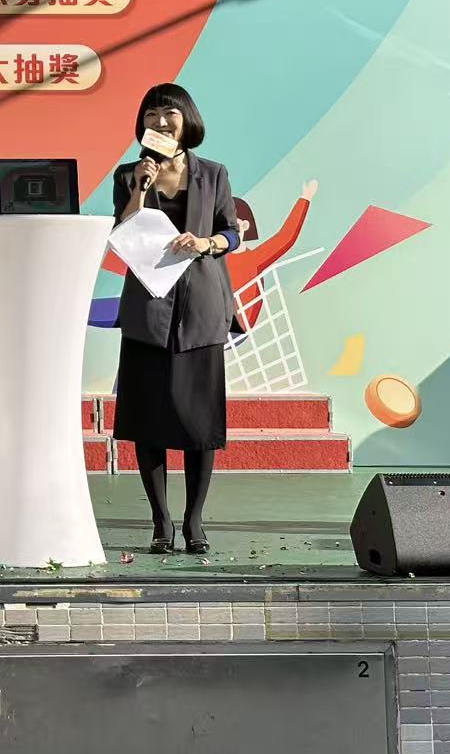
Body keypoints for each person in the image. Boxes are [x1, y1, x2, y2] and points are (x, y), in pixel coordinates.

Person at [113, 85, 239, 556]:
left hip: (201, 304)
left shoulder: (213, 173)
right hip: (148, 308)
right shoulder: (129, 174)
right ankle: (160, 521)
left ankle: (194, 520)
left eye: (169, 113)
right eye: (152, 114)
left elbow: (231, 232)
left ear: (187, 120)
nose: (161, 121)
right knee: (148, 418)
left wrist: (206, 243)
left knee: (198, 420)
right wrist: (140, 187)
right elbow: (123, 230)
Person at [227, 183, 317, 330]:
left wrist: (305, 198)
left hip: (235, 325)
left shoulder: (253, 259)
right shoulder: (218, 259)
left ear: (245, 225)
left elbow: (285, 237)